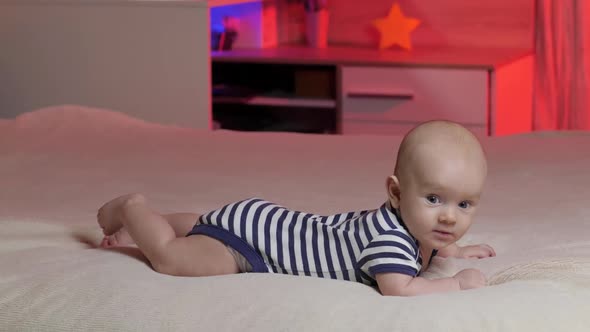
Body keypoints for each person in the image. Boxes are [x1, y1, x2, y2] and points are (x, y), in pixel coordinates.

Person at [97, 120, 495, 296]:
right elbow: (401, 289)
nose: (449, 216)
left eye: (464, 204)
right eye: (434, 199)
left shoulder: (414, 229)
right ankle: (133, 209)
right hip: (251, 247)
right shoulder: (389, 241)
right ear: (395, 193)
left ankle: (166, 220)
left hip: (260, 220)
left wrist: (452, 249)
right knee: (171, 259)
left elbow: (429, 240)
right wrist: (455, 283)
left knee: (207, 224)